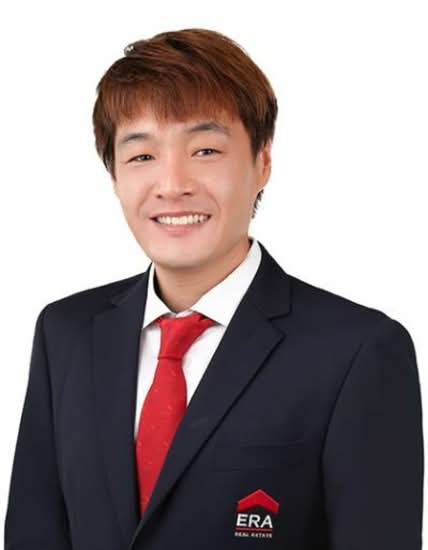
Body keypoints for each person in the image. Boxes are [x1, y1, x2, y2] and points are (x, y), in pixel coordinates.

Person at [4, 27, 423, 550]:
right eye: (142, 156)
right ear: (114, 176)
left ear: (262, 163)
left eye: (205, 150)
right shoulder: (66, 332)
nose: (172, 184)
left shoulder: (357, 351)